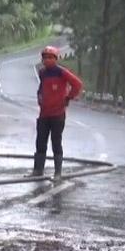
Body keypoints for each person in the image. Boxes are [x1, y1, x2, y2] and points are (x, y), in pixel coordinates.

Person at [30, 45, 83, 181]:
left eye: (50, 57)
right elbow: (41, 88)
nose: (47, 60)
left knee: (56, 142)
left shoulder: (61, 72)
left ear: (55, 59)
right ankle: (38, 170)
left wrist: (68, 97)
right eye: (44, 57)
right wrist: (40, 98)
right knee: (40, 142)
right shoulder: (42, 73)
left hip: (58, 114)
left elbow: (77, 84)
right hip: (44, 114)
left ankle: (57, 173)